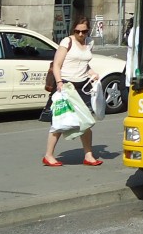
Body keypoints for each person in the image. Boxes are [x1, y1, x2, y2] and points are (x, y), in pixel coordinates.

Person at [43, 14, 102, 166]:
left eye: (84, 31)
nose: (81, 34)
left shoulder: (89, 42)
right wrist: (59, 82)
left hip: (82, 86)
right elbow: (57, 65)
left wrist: (92, 73)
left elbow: (84, 64)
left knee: (87, 122)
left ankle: (88, 156)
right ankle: (48, 155)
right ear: (73, 30)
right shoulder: (67, 41)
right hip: (66, 85)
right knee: (61, 121)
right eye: (78, 31)